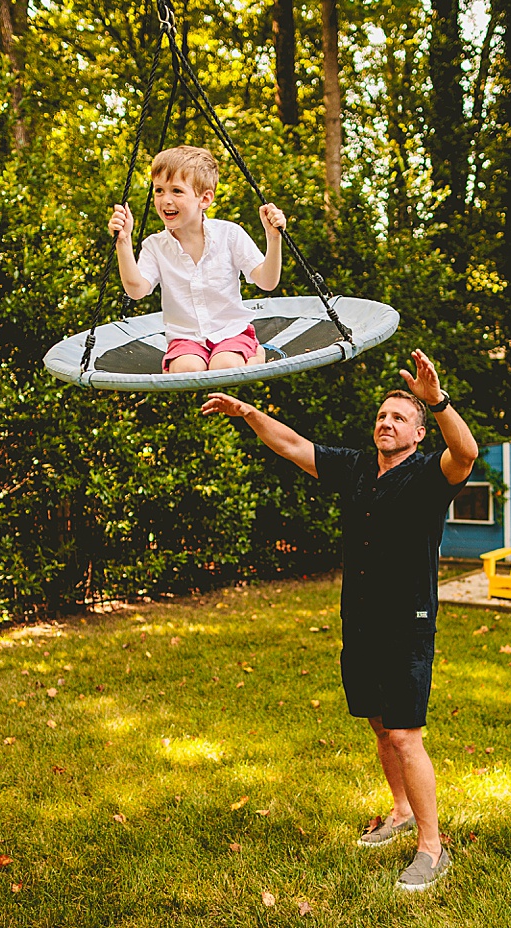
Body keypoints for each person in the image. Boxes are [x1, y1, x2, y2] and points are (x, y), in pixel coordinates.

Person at [201, 349, 477, 892]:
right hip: (361, 621)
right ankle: (399, 812)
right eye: (382, 415)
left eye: (400, 418)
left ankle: (431, 847)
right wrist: (248, 413)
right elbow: (294, 446)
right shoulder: (356, 467)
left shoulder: (429, 475)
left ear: (420, 433)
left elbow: (465, 453)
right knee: (378, 723)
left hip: (407, 622)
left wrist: (437, 401)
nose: (386, 423)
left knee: (404, 733)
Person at [109, 145, 287, 373]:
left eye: (177, 191)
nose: (166, 200)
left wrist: (274, 239)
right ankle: (178, 365)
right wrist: (123, 242)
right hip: (186, 339)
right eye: (159, 190)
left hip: (231, 332)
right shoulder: (155, 246)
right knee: (186, 370)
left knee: (225, 365)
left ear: (204, 199)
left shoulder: (229, 235)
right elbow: (136, 290)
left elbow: (267, 281)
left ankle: (255, 354)